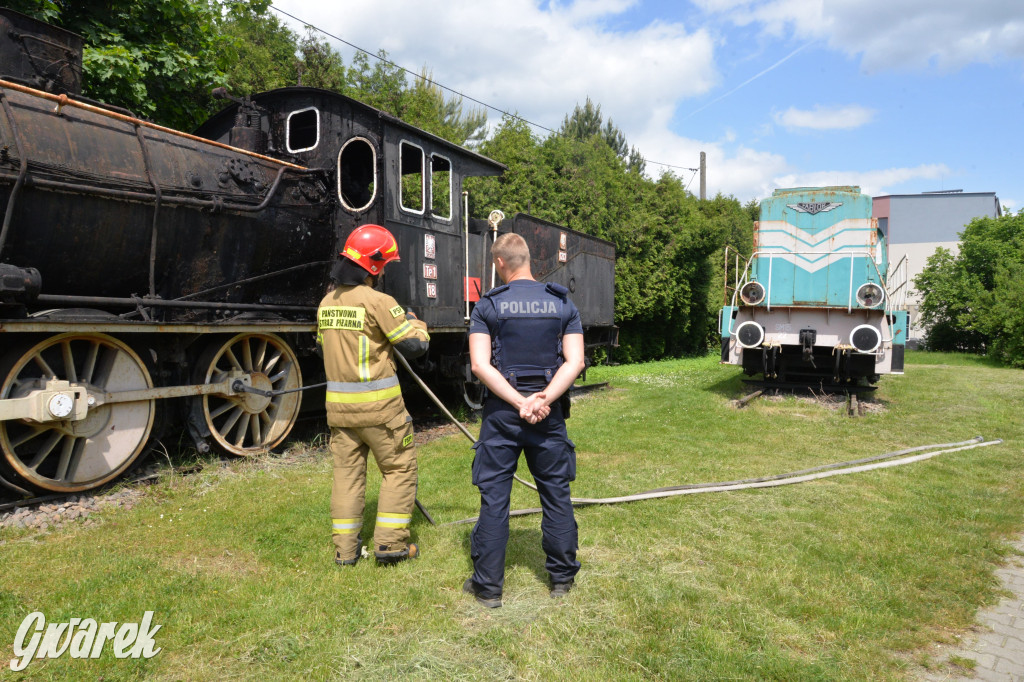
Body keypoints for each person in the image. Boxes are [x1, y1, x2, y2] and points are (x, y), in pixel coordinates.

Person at [463, 232, 586, 608]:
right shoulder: (562, 303)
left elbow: (480, 365)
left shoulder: (488, 306)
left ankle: (488, 588)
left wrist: (520, 402)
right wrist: (544, 399)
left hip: (503, 415)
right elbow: (575, 361)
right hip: (548, 418)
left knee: (495, 500)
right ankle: (562, 580)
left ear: (500, 263)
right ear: (528, 259)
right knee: (556, 495)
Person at [317, 224, 430, 566]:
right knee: (398, 471)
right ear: (375, 266)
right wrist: (416, 322)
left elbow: (326, 345)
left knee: (347, 478)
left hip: (339, 412)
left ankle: (345, 552)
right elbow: (414, 346)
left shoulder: (325, 304)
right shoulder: (378, 301)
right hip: (381, 412)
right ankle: (391, 546)